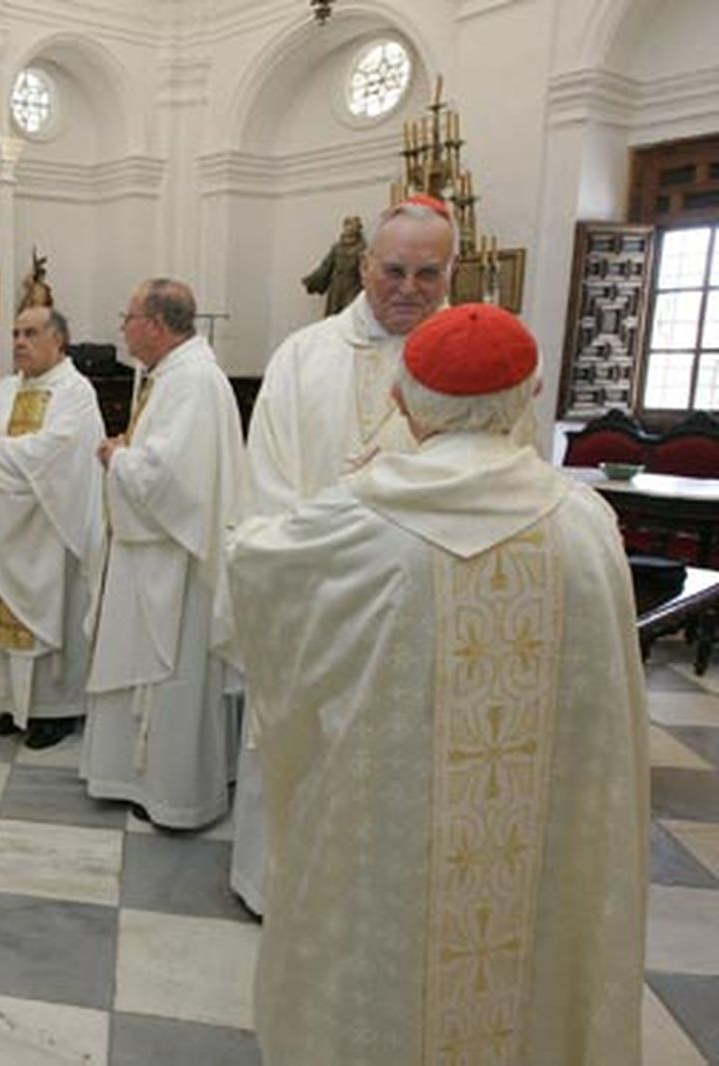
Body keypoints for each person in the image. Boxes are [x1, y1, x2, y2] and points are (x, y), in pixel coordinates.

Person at [227, 304, 646, 1066]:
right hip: (541, 846)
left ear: (404, 402)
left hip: (393, 844)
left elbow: (255, 571)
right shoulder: (587, 525)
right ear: (528, 397)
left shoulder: (361, 520)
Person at [228, 194, 532, 913]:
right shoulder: (303, 357)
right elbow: (266, 484)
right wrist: (327, 565)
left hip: (431, 608)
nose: (408, 288)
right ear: (364, 267)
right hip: (319, 603)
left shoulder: (485, 367)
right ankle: (279, 889)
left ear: (452, 271)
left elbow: (510, 485)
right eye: (393, 269)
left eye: (428, 274)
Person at [81, 279, 247, 828]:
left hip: (172, 559)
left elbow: (172, 476)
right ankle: (140, 775)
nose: (122, 329)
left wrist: (116, 457)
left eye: (127, 318)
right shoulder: (175, 376)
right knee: (155, 670)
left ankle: (174, 791)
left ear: (154, 324)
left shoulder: (193, 381)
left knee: (169, 671)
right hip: (154, 551)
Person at [0, 306, 105, 749]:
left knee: (54, 611)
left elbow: (55, 452)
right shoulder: (1, 391)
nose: (19, 342)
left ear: (58, 340)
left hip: (50, 528)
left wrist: (1, 458)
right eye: (15, 334)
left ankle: (53, 710)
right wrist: (5, 461)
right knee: (2, 612)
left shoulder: (76, 392)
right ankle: (12, 704)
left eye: (30, 333)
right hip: (4, 526)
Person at [300, 214, 365, 317]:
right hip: (336, 288)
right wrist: (312, 279)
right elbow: (326, 266)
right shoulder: (337, 248)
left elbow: (366, 271)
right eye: (347, 225)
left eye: (352, 225)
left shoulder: (363, 249)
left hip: (353, 287)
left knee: (350, 316)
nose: (349, 228)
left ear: (357, 228)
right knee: (333, 318)